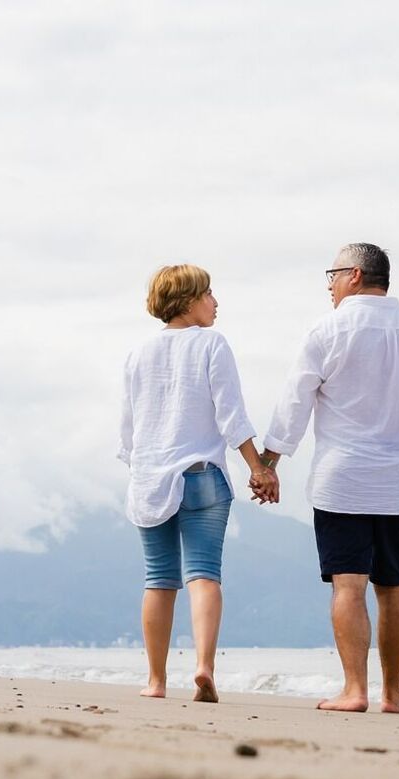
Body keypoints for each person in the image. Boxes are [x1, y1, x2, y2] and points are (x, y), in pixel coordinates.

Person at [260, 242, 399, 714]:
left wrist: (268, 464)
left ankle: (355, 690)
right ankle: (392, 693)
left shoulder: (328, 330)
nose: (328, 285)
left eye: (332, 274)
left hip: (342, 479)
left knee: (349, 585)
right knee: (395, 587)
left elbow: (294, 404)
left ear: (355, 276)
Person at [119, 264, 280, 703]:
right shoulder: (211, 343)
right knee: (204, 575)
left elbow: (128, 431)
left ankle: (155, 681)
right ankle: (204, 667)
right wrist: (258, 468)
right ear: (189, 301)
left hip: (150, 478)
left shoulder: (137, 354)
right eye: (209, 294)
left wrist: (143, 470)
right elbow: (232, 415)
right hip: (202, 477)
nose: (215, 302)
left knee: (158, 580)